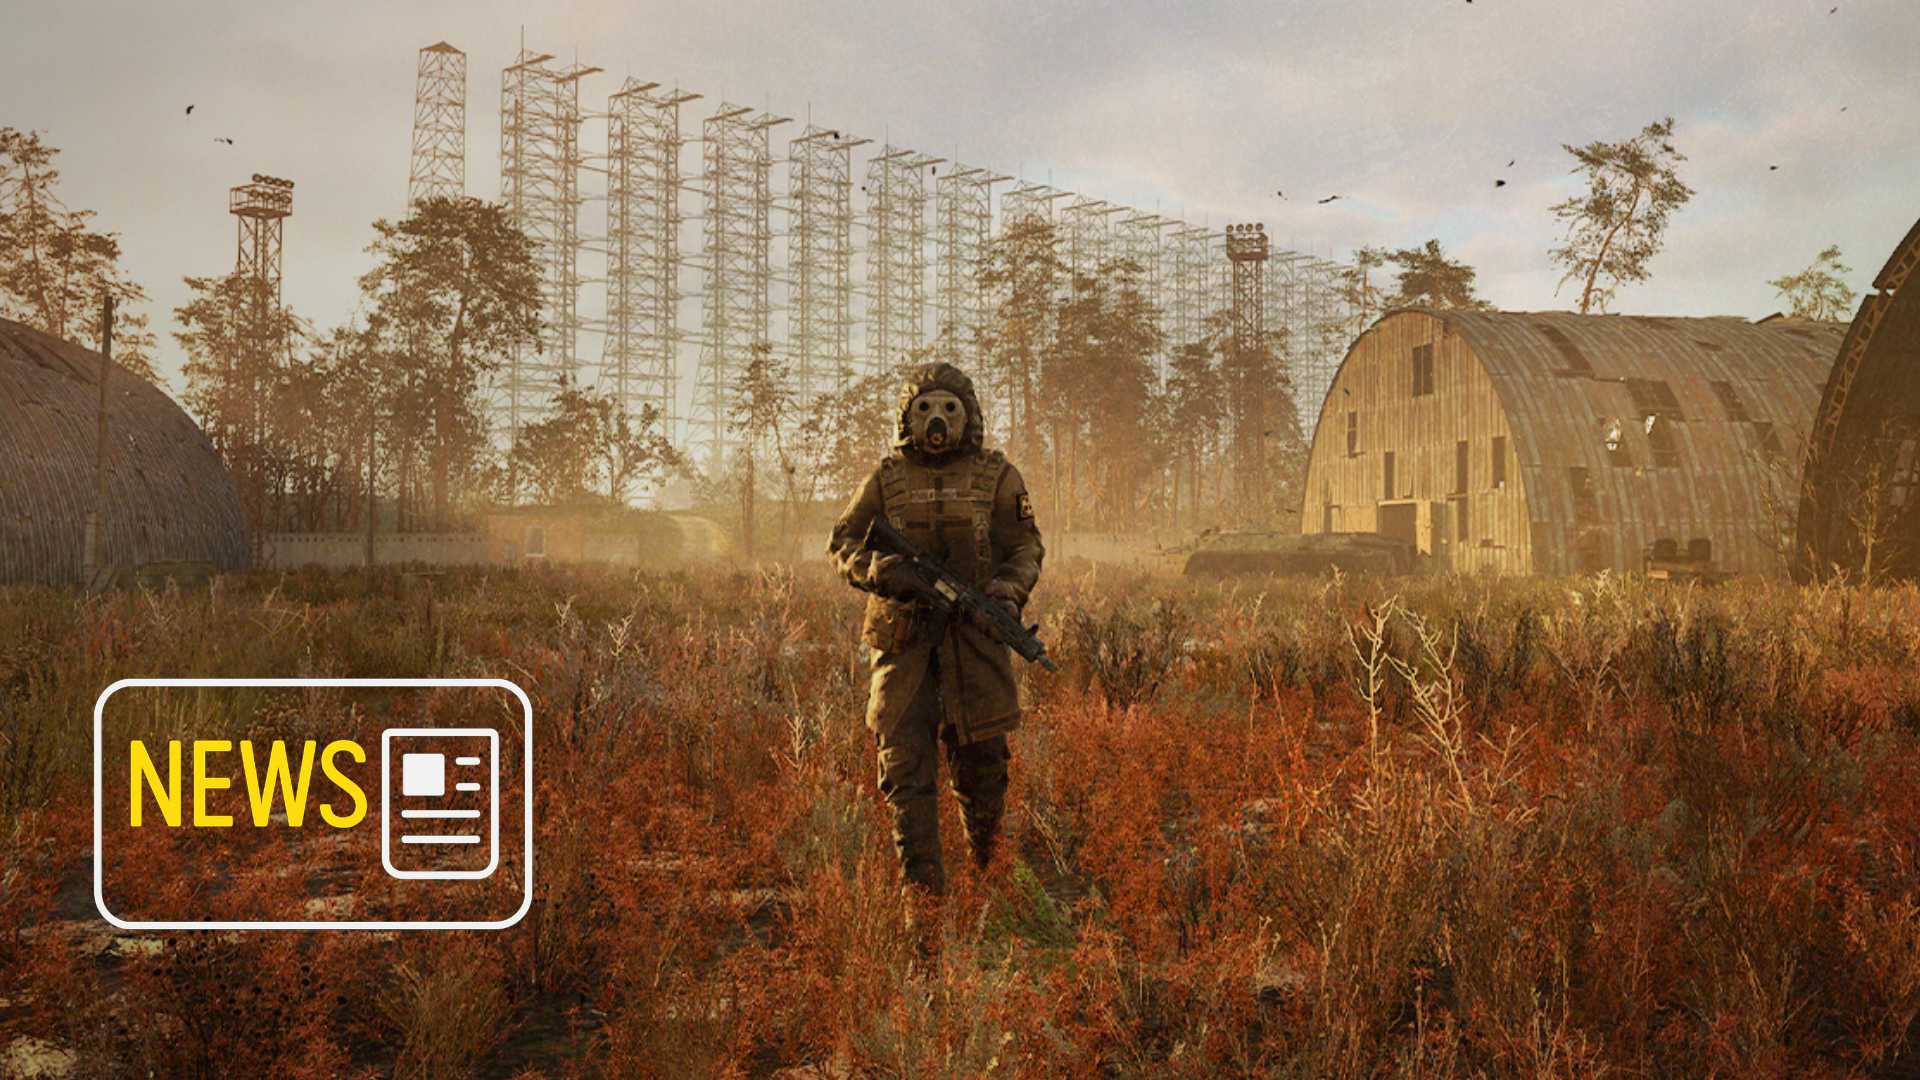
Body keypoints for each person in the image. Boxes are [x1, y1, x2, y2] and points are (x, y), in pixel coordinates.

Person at [826, 361, 1045, 916]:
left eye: (949, 408)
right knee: (905, 774)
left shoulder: (998, 477)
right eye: (926, 408)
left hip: (975, 643)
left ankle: (990, 894)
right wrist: (882, 572)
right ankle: (921, 905)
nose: (938, 420)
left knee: (984, 774)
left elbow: (1025, 547)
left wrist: (1005, 592)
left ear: (968, 415)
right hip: (902, 650)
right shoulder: (885, 478)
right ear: (908, 416)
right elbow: (844, 541)